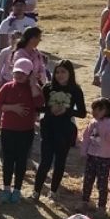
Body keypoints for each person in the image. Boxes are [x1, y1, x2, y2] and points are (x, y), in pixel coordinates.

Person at [33, 60, 86, 203]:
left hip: (65, 130)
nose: (60, 75)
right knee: (45, 161)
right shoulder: (48, 87)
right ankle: (36, 191)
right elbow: (38, 107)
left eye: (63, 72)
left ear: (70, 73)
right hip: (48, 128)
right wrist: (50, 109)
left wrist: (66, 110)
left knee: (60, 162)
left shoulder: (75, 90)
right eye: (57, 72)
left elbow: (82, 113)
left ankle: (54, 191)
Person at [0, 59, 44, 204]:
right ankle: (6, 188)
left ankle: (17, 189)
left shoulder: (33, 89)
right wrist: (13, 108)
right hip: (8, 129)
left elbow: (39, 104)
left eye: (23, 73)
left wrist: (33, 85)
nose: (19, 75)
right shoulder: (7, 87)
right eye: (17, 72)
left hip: (26, 130)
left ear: (29, 74)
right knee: (8, 159)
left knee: (21, 160)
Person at [80, 98, 110, 212]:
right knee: (88, 179)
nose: (94, 112)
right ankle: (85, 201)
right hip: (91, 155)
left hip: (104, 158)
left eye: (98, 109)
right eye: (93, 109)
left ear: (106, 110)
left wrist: (108, 132)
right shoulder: (92, 122)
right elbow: (86, 137)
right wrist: (83, 151)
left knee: (102, 182)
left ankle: (101, 206)